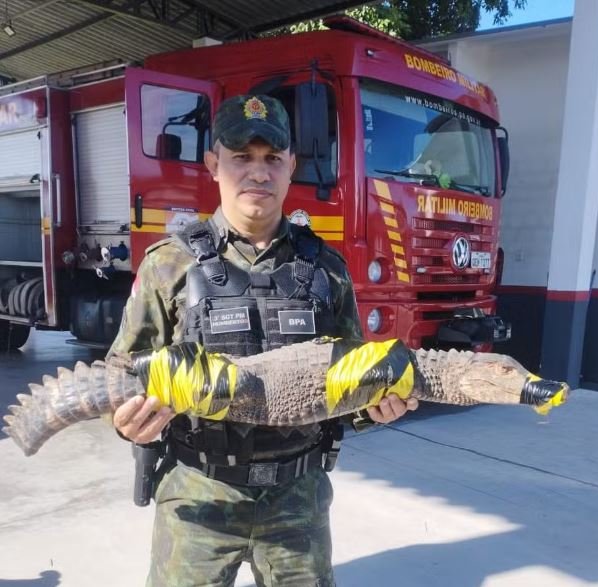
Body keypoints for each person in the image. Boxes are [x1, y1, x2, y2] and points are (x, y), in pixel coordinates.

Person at [109, 94, 418, 587]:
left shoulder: (326, 269)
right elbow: (122, 372)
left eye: (273, 158)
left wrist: (375, 406)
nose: (258, 173)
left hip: (298, 501)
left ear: (291, 166)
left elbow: (356, 377)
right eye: (241, 158)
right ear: (214, 165)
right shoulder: (169, 265)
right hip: (199, 496)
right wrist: (129, 422)